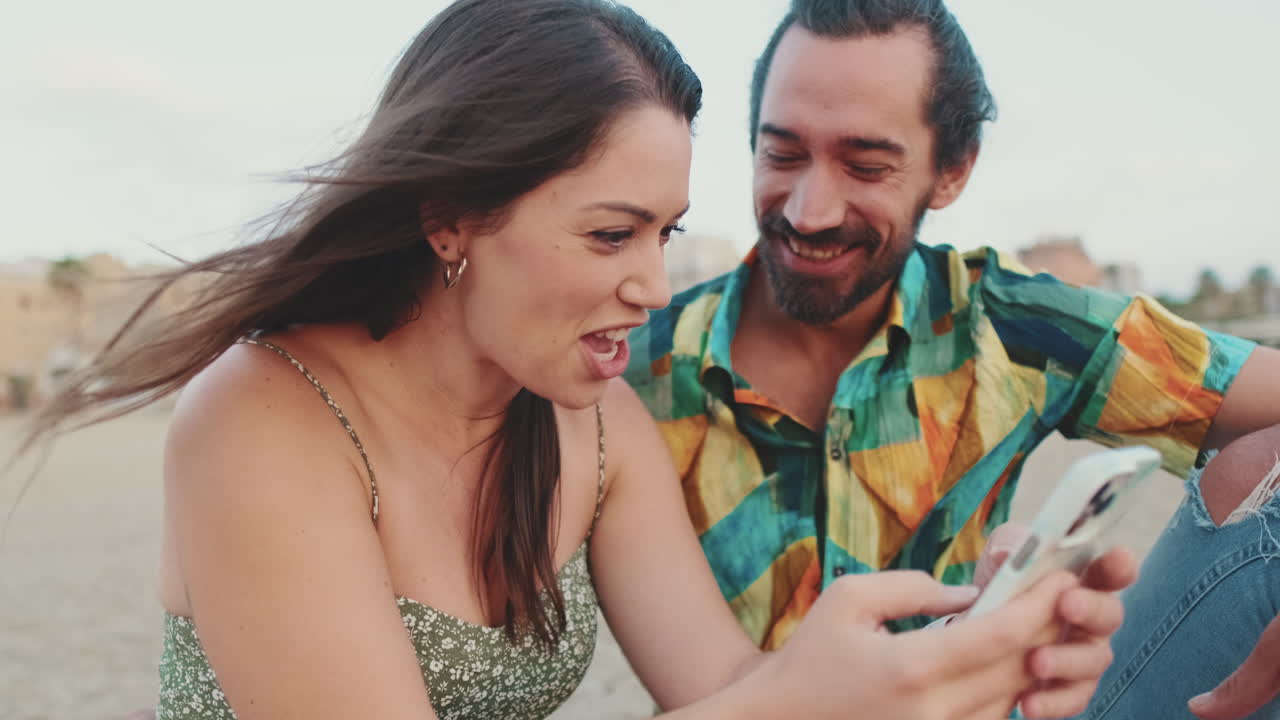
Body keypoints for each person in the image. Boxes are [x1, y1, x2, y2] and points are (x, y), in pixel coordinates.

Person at [19, 1, 1128, 718]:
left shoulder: (590, 429)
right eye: (609, 235)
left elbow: (731, 689)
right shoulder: (264, 420)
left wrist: (955, 664)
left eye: (662, 232)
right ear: (450, 215)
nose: (652, 285)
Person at [623, 1, 1280, 718]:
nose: (808, 211)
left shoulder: (1007, 321)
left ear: (953, 171)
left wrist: (984, 637)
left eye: (865, 165)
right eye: (781, 153)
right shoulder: (635, 365)